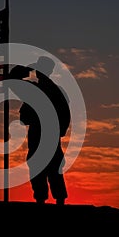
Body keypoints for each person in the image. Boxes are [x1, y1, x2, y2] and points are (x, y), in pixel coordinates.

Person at [10, 56, 71, 205]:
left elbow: (12, 78)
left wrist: (27, 69)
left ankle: (45, 199)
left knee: (45, 166)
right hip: (48, 132)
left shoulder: (37, 89)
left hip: (44, 131)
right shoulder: (52, 89)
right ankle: (48, 199)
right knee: (49, 166)